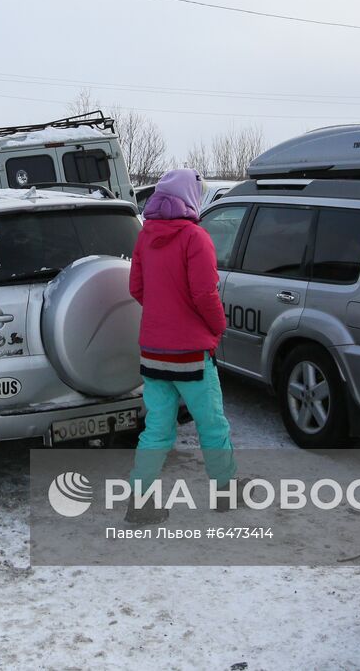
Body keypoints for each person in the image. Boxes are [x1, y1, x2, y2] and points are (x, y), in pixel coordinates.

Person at [125, 168, 235, 524]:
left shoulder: (145, 237)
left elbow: (136, 289)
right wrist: (218, 327)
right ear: (192, 197)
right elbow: (205, 294)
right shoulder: (195, 237)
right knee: (213, 425)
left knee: (157, 428)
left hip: (154, 353)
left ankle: (139, 501)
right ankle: (225, 493)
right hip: (191, 355)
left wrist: (162, 313)